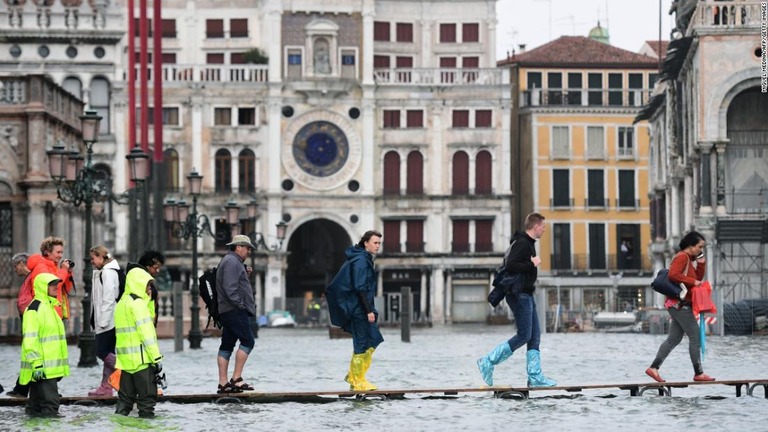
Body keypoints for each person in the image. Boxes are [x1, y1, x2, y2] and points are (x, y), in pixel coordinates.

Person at [477, 212, 557, 388]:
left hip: (526, 294)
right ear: (536, 226)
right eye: (543, 226)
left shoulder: (527, 243)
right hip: (518, 294)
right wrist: (532, 264)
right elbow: (512, 264)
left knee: (534, 336)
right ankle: (488, 361)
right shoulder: (522, 243)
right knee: (524, 335)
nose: (544, 229)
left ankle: (535, 377)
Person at [645, 230, 715, 383]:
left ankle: (654, 368)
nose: (701, 250)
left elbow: (696, 277)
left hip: (676, 304)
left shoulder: (689, 259)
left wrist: (701, 264)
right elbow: (673, 275)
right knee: (695, 336)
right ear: (691, 246)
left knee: (673, 339)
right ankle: (699, 373)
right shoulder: (682, 257)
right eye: (699, 247)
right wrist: (694, 282)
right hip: (680, 305)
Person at [114, 268, 163, 418]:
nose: (149, 288)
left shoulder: (122, 303)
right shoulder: (138, 304)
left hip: (126, 362)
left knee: (124, 402)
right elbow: (147, 332)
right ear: (139, 283)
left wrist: (148, 301)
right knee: (147, 402)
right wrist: (156, 358)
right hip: (142, 362)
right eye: (147, 285)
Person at [339, 230, 384, 391]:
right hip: (360, 310)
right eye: (375, 243)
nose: (378, 246)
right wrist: (368, 310)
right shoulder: (361, 261)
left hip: (363, 308)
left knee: (374, 339)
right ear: (366, 243)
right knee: (362, 343)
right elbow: (360, 287)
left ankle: (354, 375)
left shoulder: (365, 259)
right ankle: (357, 380)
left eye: (379, 243)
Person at [20, 273, 70, 417]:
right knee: (51, 406)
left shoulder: (50, 307)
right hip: (43, 367)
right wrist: (36, 364)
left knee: (36, 407)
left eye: (56, 284)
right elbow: (30, 340)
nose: (56, 287)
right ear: (43, 287)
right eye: (52, 284)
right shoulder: (34, 310)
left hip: (47, 368)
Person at [215, 235, 258, 394]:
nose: (249, 251)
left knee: (227, 345)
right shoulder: (232, 262)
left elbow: (233, 284)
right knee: (248, 341)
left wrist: (244, 275)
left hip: (227, 309)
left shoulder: (231, 262)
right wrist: (240, 306)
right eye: (247, 248)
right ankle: (236, 378)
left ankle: (223, 383)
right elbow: (230, 288)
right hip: (234, 310)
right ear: (238, 247)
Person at [87, 245, 120, 397]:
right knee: (108, 352)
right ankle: (106, 387)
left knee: (102, 351)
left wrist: (102, 322)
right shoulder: (106, 272)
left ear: (100, 257)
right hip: (107, 320)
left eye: (93, 258)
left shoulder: (107, 273)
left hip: (107, 321)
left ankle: (126, 375)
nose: (91, 262)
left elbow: (108, 299)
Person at [26, 237, 75, 323]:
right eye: (58, 252)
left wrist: (68, 273)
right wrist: (63, 270)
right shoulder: (40, 267)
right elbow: (53, 287)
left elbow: (67, 289)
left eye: (62, 252)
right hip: (46, 313)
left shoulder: (54, 267)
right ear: (47, 252)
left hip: (55, 313)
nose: (61, 256)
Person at [7, 253, 31, 398]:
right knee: (27, 356)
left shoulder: (33, 278)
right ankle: (21, 388)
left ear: (22, 263)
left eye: (16, 266)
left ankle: (22, 389)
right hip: (28, 318)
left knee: (30, 354)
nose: (15, 270)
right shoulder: (29, 278)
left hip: (31, 319)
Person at [126, 250, 165, 326]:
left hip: (147, 324)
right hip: (142, 325)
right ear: (147, 266)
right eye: (156, 267)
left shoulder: (147, 280)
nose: (158, 271)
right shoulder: (139, 280)